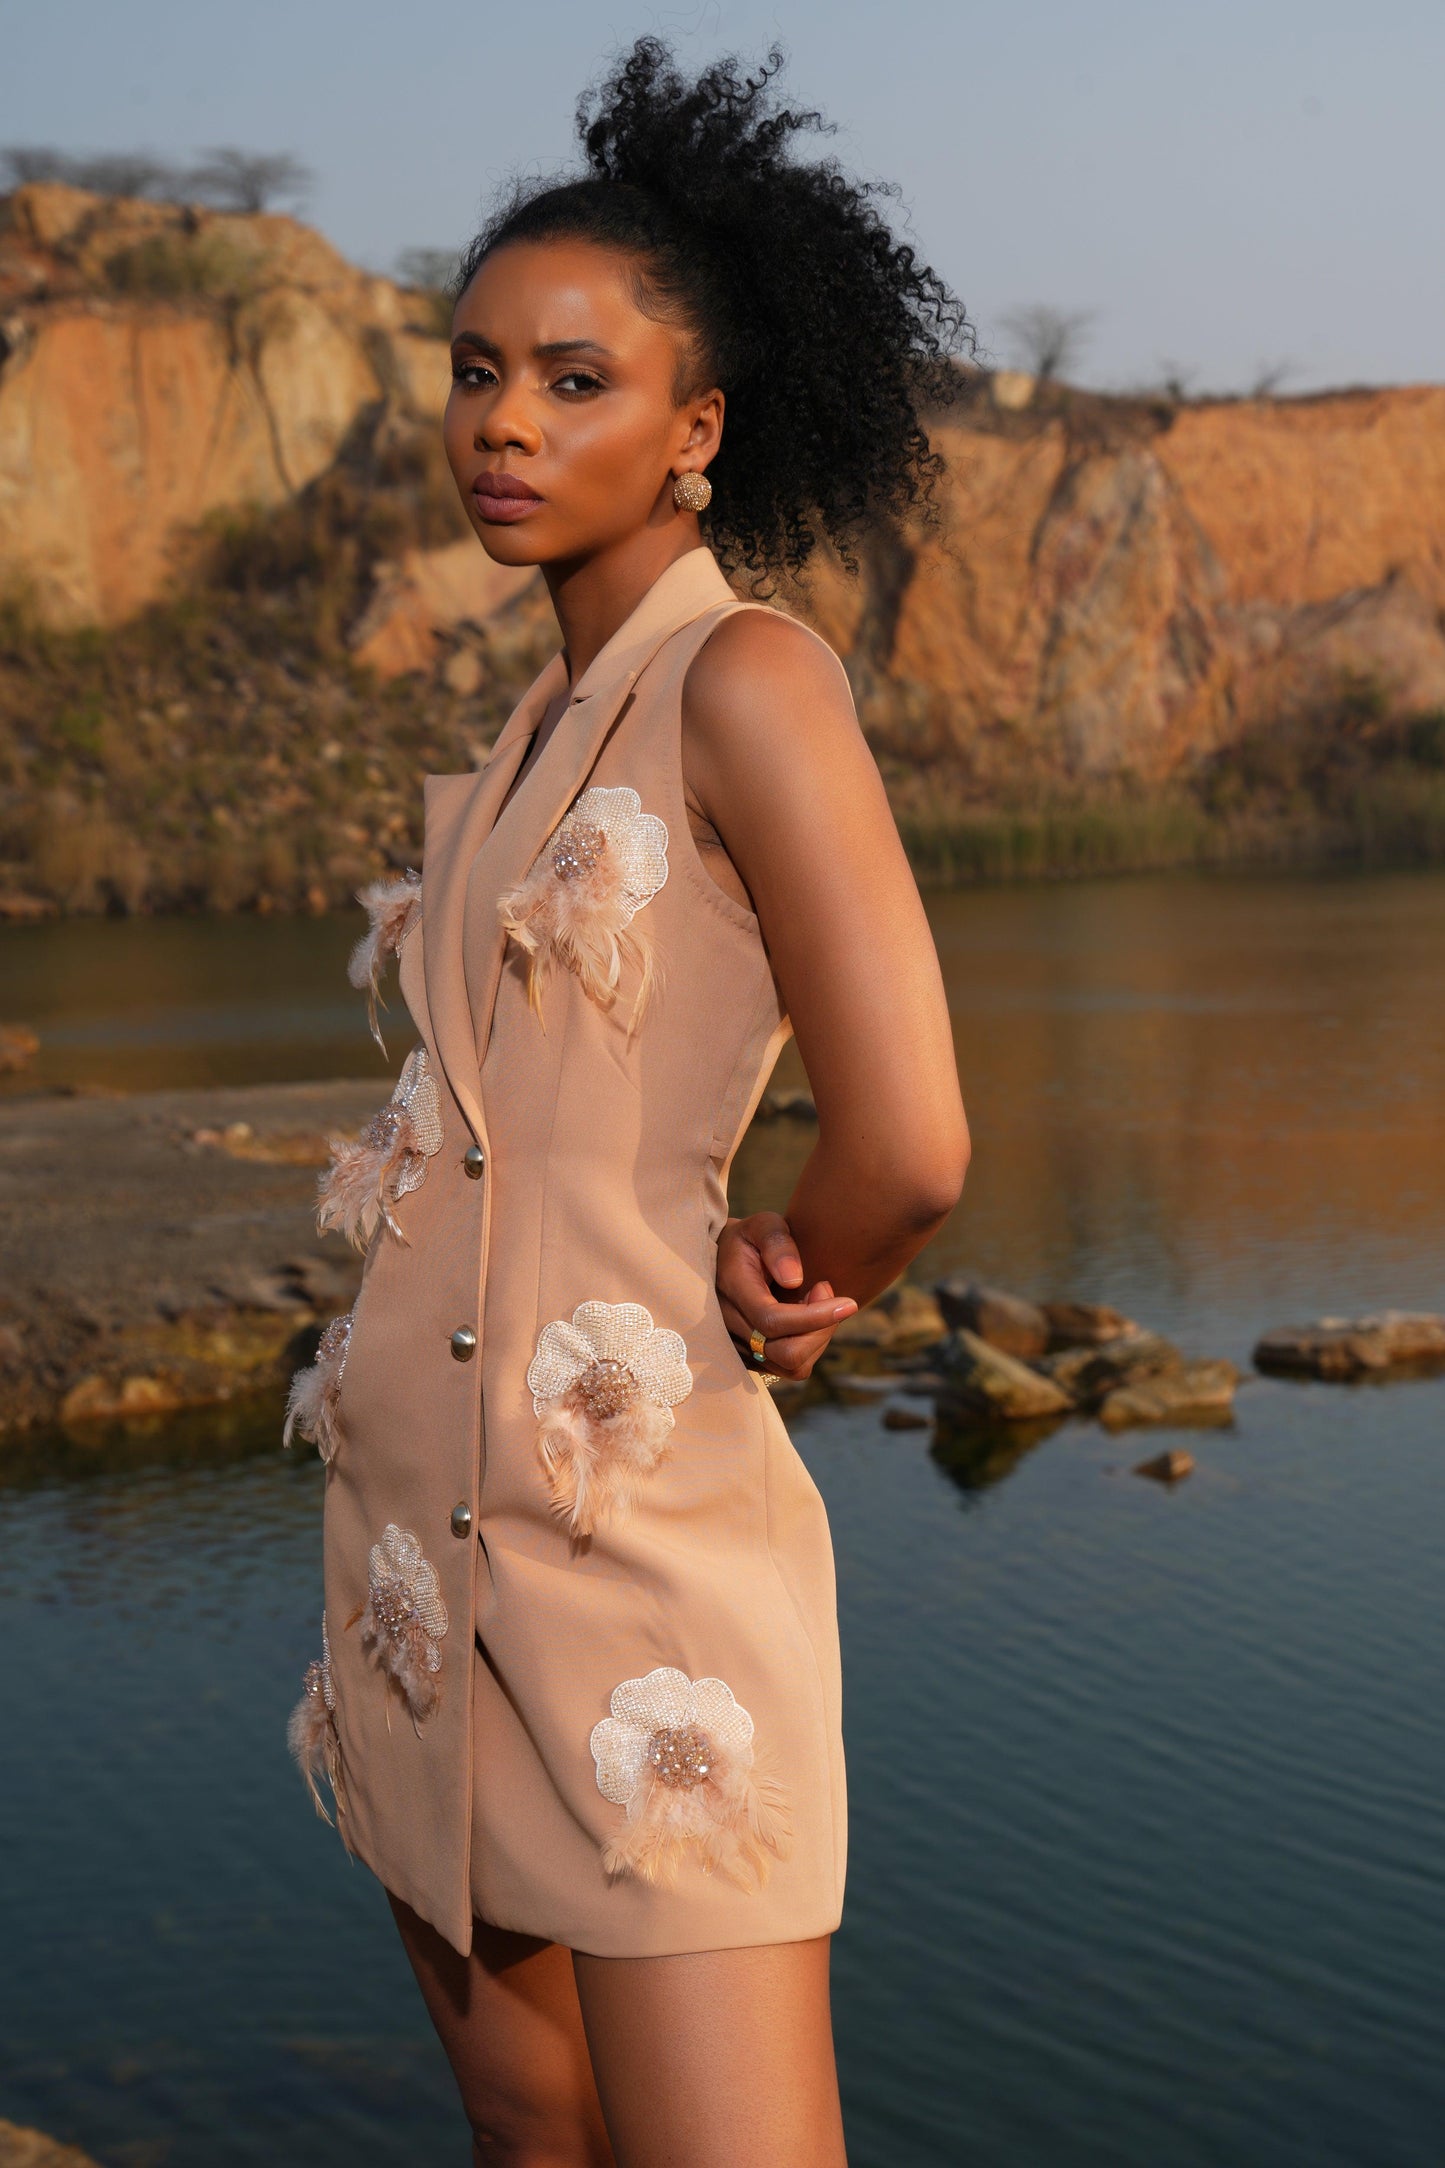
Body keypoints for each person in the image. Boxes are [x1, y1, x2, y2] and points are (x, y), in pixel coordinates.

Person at [285, 39, 970, 2167]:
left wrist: (808, 1269)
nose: (502, 418)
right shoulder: (522, 732)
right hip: (418, 1553)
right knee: (531, 2124)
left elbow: (911, 1138)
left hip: (637, 1561)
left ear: (700, 430)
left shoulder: (746, 681)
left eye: (575, 381)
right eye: (477, 367)